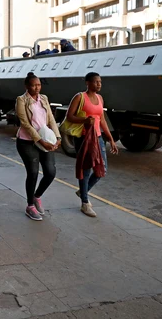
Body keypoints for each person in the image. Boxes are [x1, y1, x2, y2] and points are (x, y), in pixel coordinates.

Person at [65, 72, 118, 218]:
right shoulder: (80, 97)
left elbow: (101, 120)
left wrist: (111, 139)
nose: (99, 84)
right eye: (95, 82)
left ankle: (83, 190)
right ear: (87, 83)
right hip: (83, 137)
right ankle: (85, 202)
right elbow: (69, 116)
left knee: (102, 169)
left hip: (98, 137)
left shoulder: (100, 98)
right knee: (86, 169)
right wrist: (84, 120)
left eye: (100, 82)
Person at [15, 72, 62, 221]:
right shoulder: (21, 100)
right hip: (27, 142)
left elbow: (51, 119)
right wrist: (40, 141)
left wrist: (58, 137)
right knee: (33, 172)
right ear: (27, 86)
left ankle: (37, 197)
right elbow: (25, 124)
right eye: (33, 85)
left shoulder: (44, 99)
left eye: (39, 85)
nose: (37, 88)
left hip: (45, 139)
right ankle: (30, 206)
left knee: (50, 172)